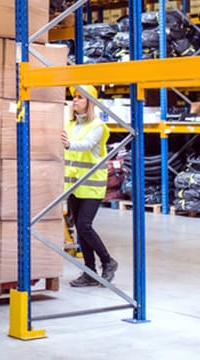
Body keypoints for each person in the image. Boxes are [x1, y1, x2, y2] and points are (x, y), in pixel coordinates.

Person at [61, 85, 118, 287]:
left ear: (90, 103)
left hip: (92, 185)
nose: (75, 100)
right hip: (74, 185)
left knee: (85, 225)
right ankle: (89, 271)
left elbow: (85, 144)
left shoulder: (98, 127)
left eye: (80, 97)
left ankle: (107, 261)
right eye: (74, 97)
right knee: (79, 227)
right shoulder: (69, 125)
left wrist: (68, 144)